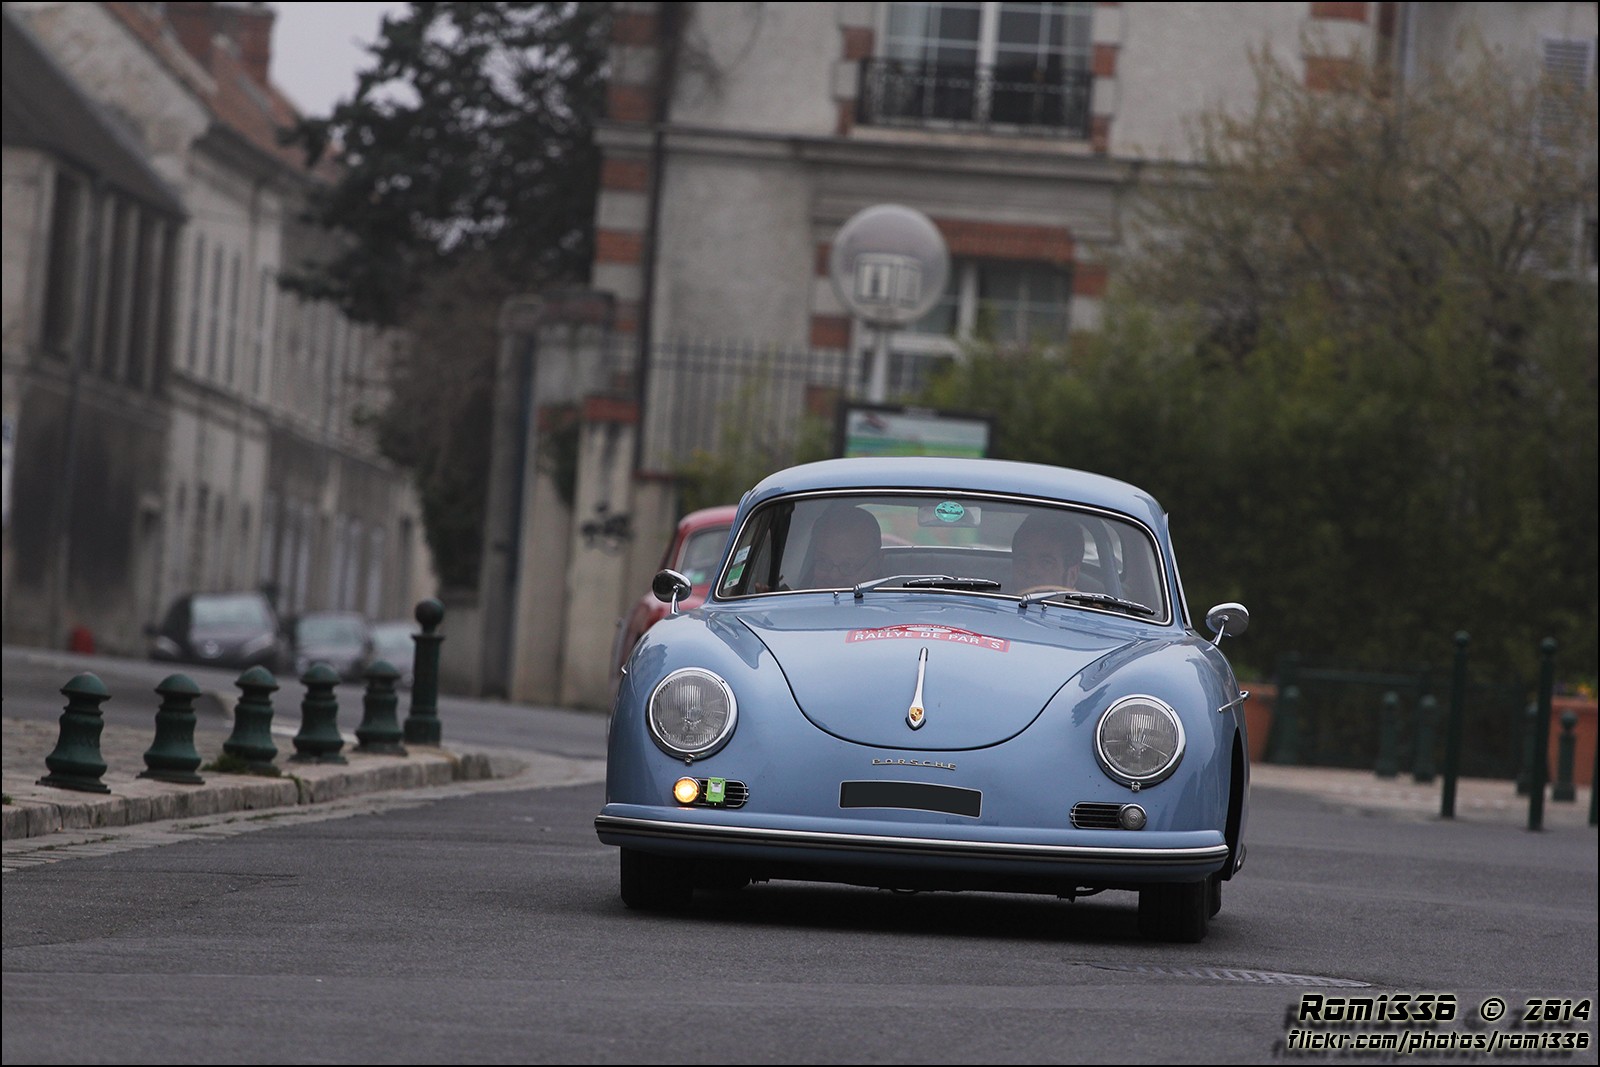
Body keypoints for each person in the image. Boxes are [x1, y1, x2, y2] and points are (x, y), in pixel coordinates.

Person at [804, 505, 883, 588]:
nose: (834, 576)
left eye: (848, 566)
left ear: (876, 564)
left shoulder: (894, 598)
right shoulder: (795, 597)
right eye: (824, 562)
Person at [1011, 512, 1084, 593]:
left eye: (1046, 562)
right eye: (1023, 560)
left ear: (1072, 576)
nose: (1032, 571)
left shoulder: (1086, 606)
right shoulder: (998, 600)